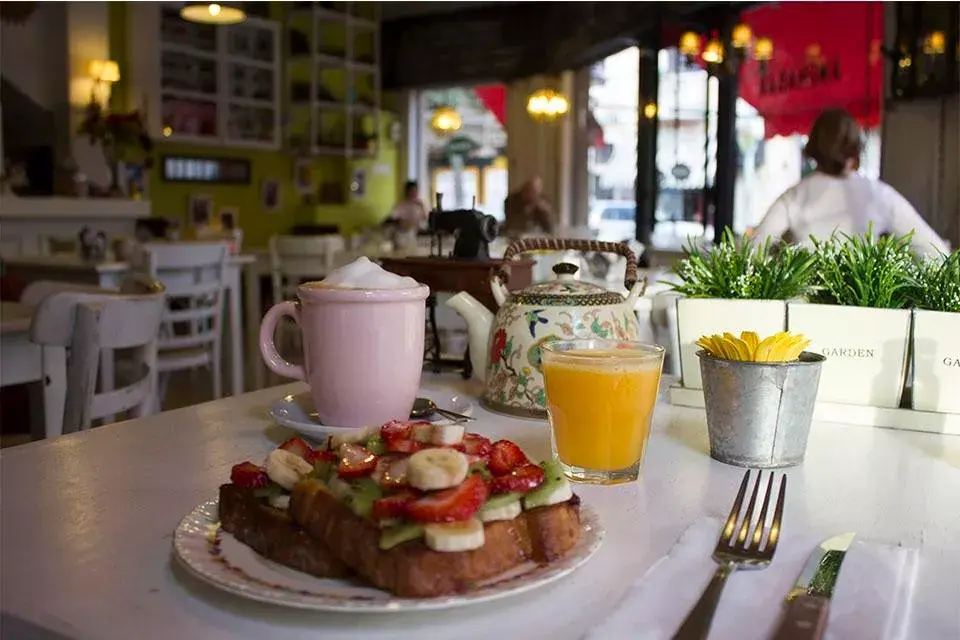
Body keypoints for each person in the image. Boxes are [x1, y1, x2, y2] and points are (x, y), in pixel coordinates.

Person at [750, 108, 950, 257]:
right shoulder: (878, 194)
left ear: (814, 146)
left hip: (801, 306)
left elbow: (752, 251)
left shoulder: (796, 195)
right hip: (861, 306)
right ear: (855, 148)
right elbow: (935, 252)